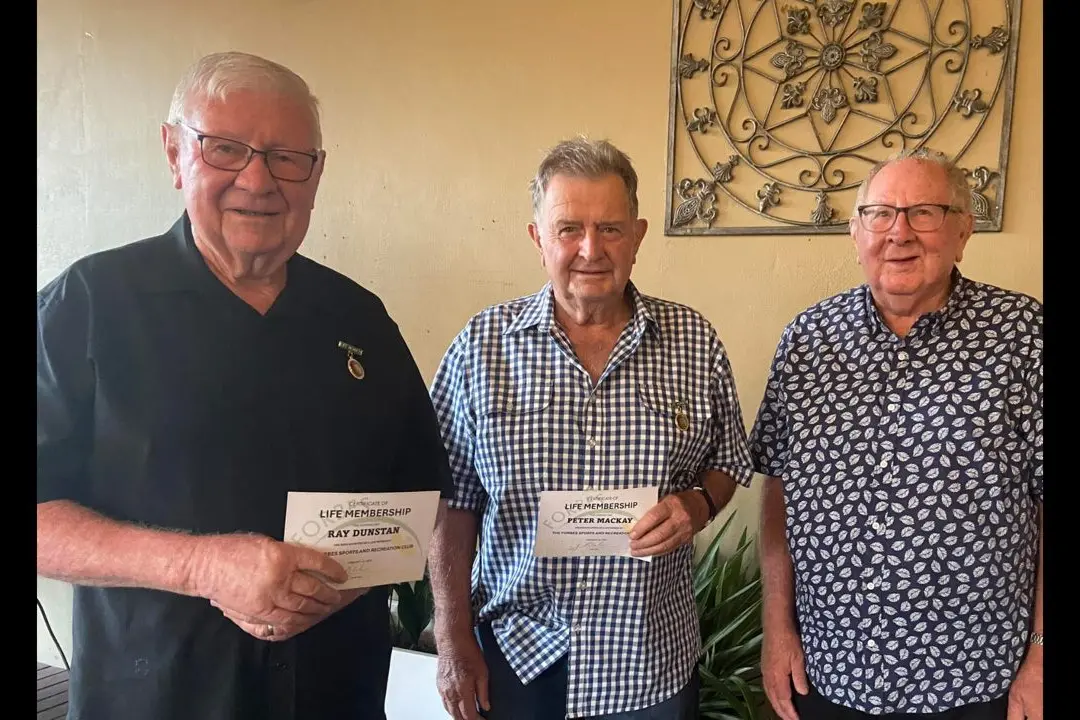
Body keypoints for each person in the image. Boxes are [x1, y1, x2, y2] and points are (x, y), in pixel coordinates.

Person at [36, 51, 453, 720]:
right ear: (174, 153)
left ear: (317, 174)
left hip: (335, 695)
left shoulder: (360, 320)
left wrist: (343, 582)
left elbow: (417, 493)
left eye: (288, 158)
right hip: (156, 698)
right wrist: (200, 568)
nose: (258, 180)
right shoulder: (88, 306)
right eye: (226, 149)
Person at [426, 136, 756, 720]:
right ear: (537, 238)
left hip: (650, 660)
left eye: (610, 228)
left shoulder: (694, 341)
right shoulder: (481, 348)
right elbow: (451, 504)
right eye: (568, 229)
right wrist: (453, 642)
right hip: (520, 656)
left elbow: (727, 461)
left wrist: (696, 504)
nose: (590, 249)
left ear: (638, 234)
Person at [748, 148, 1043, 720]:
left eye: (925, 212)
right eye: (880, 214)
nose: (899, 233)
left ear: (963, 231)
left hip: (980, 680)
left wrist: (1043, 653)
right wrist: (777, 629)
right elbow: (780, 494)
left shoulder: (1024, 338)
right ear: (856, 233)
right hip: (830, 674)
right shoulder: (807, 342)